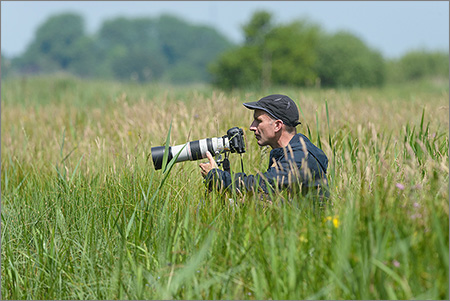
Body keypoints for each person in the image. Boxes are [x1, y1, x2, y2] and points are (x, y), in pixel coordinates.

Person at [199, 94, 329, 199]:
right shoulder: (286, 153)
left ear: (277, 125)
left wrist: (216, 176)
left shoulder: (300, 158)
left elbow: (260, 186)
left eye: (259, 121)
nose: (252, 127)